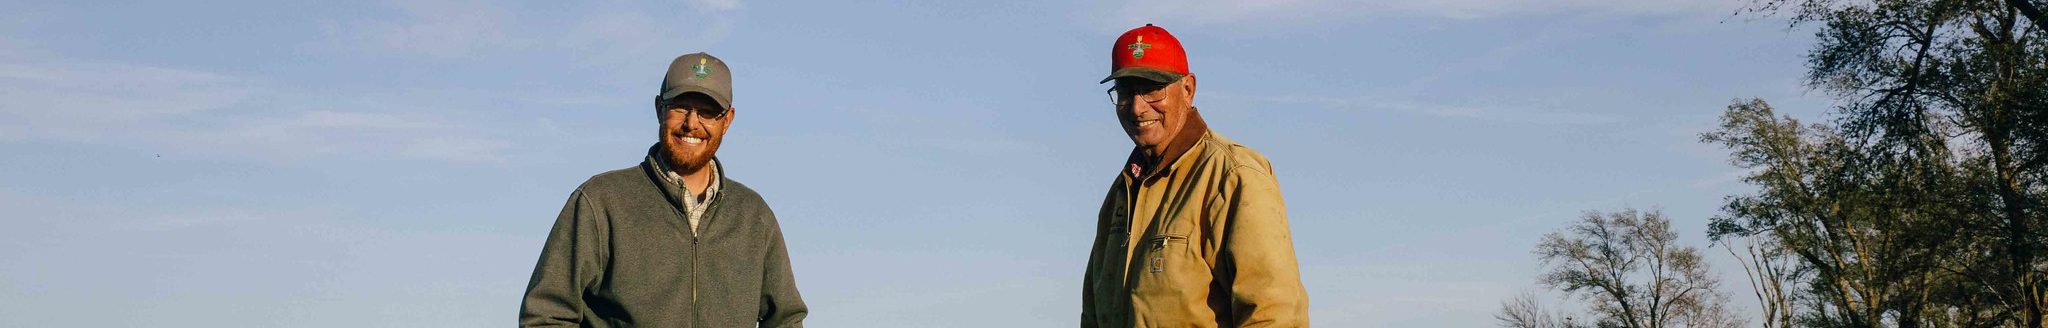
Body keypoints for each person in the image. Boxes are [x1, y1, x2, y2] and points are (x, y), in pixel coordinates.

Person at [520, 52, 807, 328]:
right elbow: (546, 315)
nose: (692, 123)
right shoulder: (601, 202)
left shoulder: (753, 216)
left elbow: (786, 320)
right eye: (681, 106)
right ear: (660, 109)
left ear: (727, 120)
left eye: (708, 111)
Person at [1080, 24, 1310, 328]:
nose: (1137, 107)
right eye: (1125, 92)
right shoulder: (1120, 195)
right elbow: (1092, 317)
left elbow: (1274, 313)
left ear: (1187, 89)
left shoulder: (1234, 176)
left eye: (1151, 89)